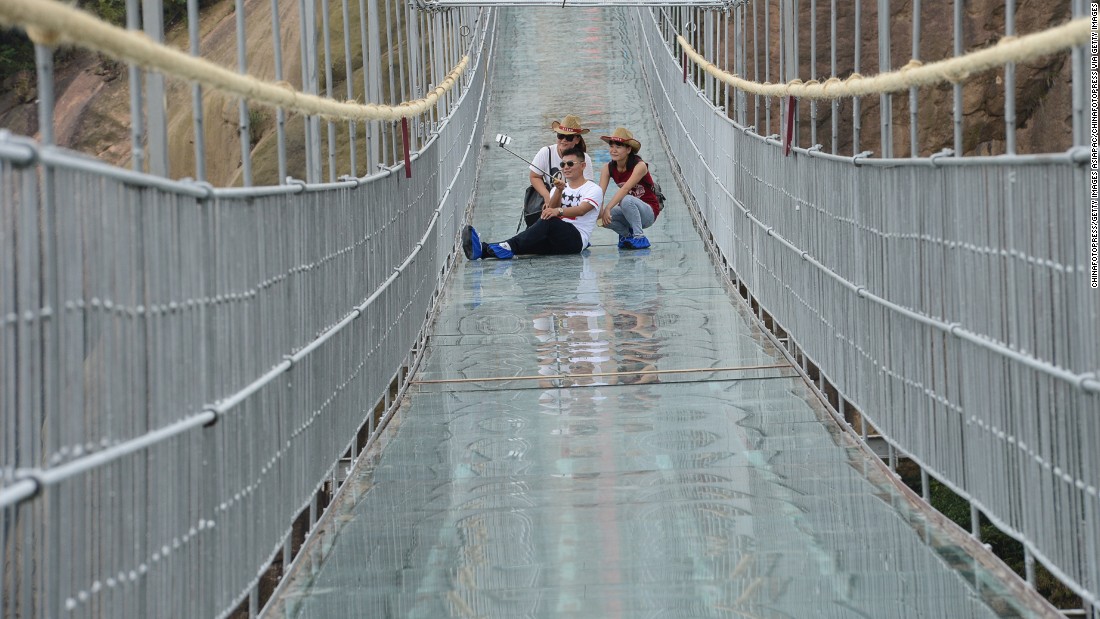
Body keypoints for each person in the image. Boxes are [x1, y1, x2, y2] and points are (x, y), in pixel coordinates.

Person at [465, 147, 601, 260]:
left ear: (583, 166)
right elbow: (551, 208)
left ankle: (507, 245)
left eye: (570, 164)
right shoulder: (557, 187)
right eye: (562, 164)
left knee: (550, 220)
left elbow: (582, 210)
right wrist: (559, 191)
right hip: (555, 238)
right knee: (526, 245)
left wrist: (558, 211)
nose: (565, 167)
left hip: (576, 239)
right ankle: (483, 250)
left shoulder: (593, 189)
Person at [597, 127, 662, 249]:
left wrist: (608, 208)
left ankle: (639, 236)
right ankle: (626, 235)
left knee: (626, 200)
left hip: (648, 212)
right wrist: (601, 210)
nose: (614, 150)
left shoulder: (640, 166)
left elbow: (625, 189)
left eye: (619, 146)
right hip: (628, 211)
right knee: (598, 215)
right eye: (611, 146)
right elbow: (599, 193)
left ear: (628, 149)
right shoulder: (608, 168)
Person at [529, 115, 596, 206]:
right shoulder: (545, 152)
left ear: (577, 140)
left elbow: (588, 186)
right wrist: (547, 196)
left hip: (575, 202)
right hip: (552, 199)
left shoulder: (585, 158)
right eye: (560, 136)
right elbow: (534, 176)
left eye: (568, 137)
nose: (563, 140)